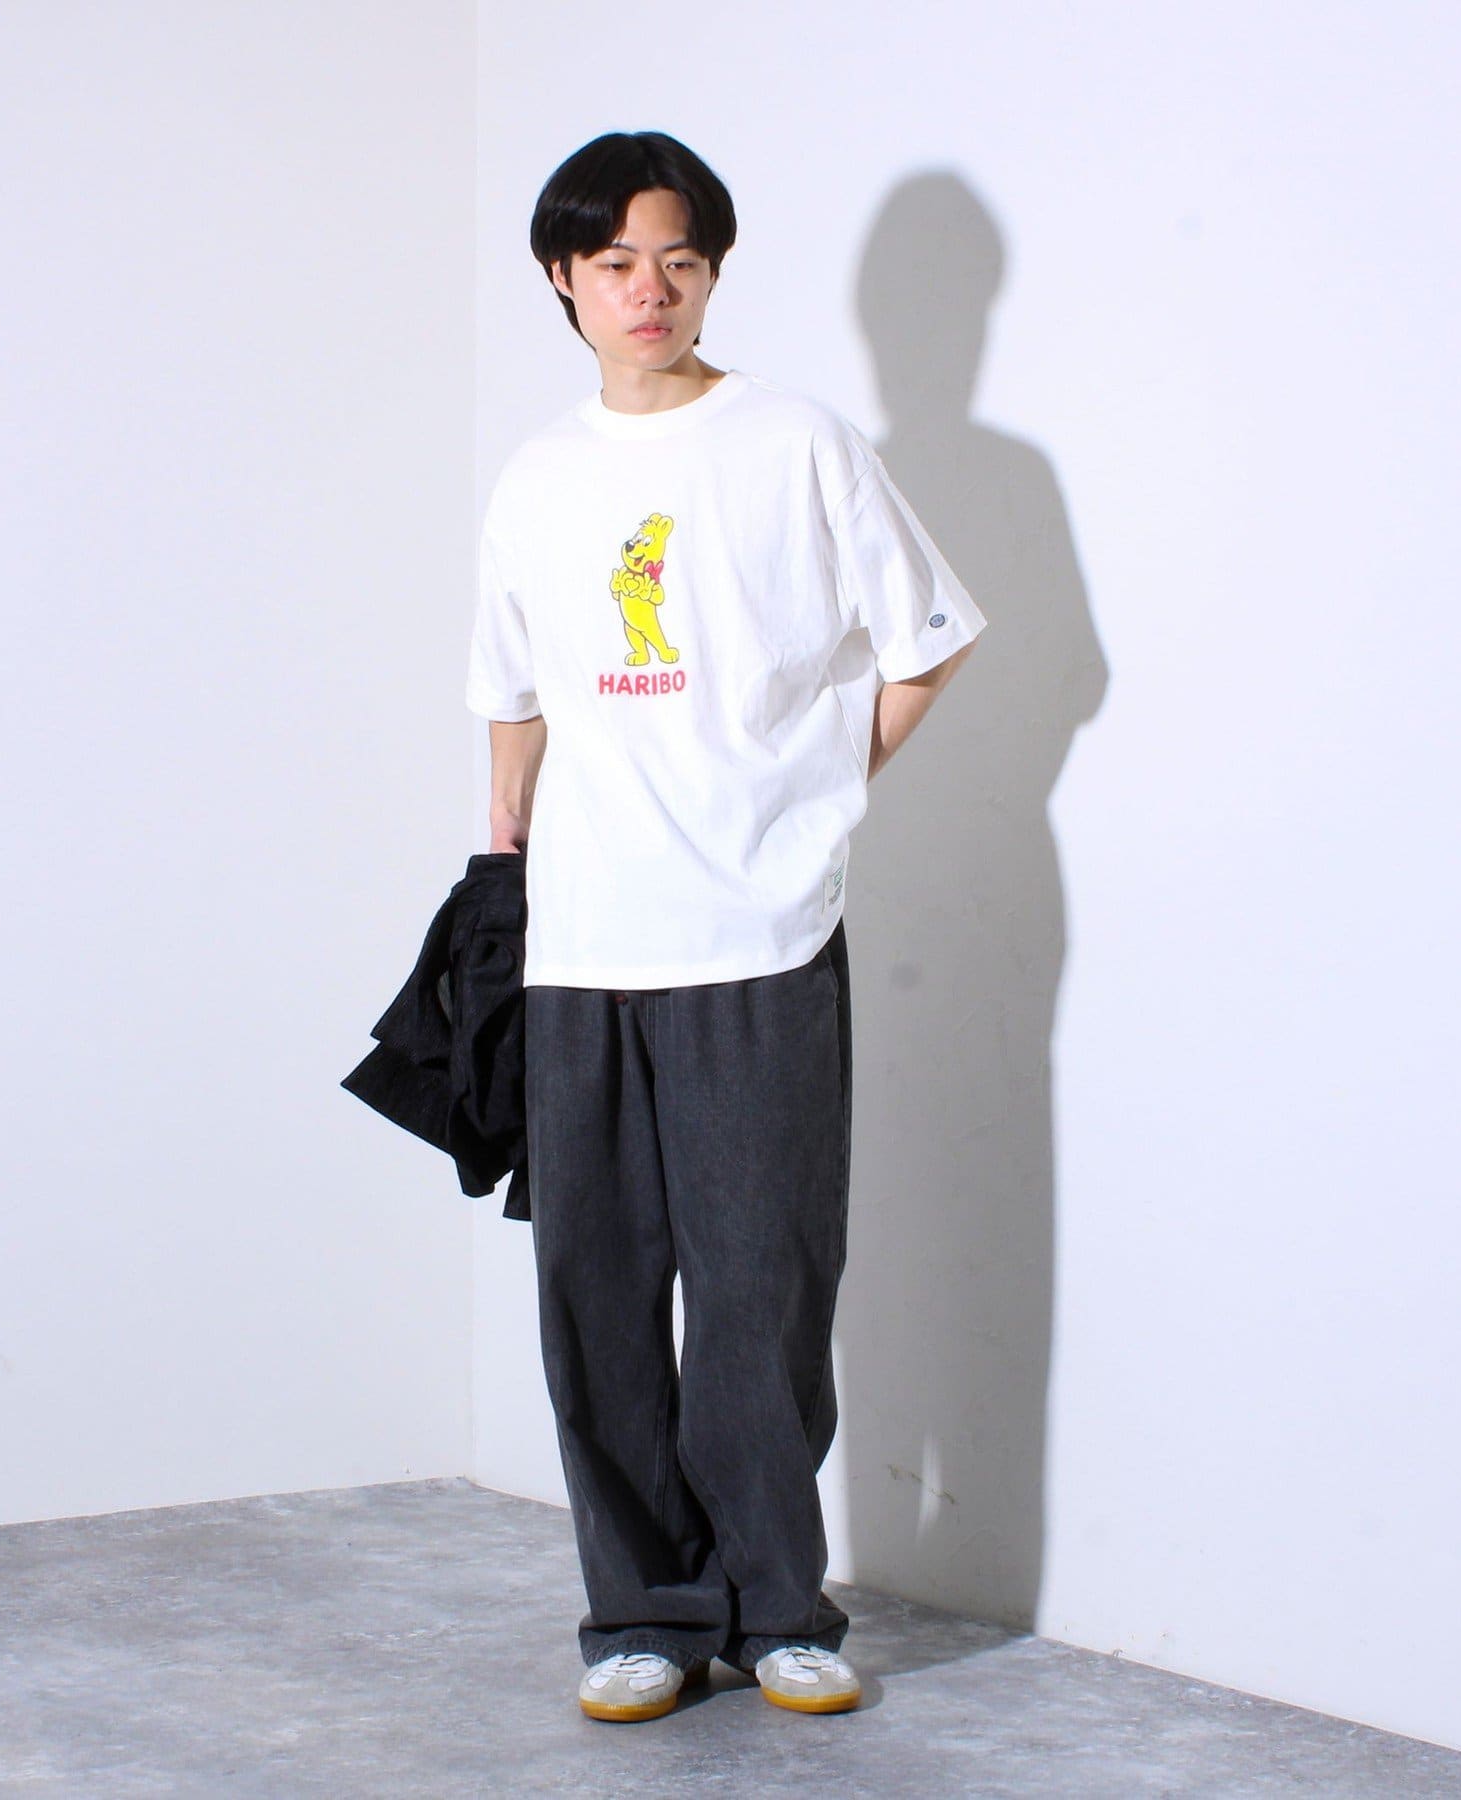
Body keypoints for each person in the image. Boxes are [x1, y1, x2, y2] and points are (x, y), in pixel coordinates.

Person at [464, 130, 987, 1724]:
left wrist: (816, 793)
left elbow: (928, 639)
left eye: (680, 261)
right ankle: (640, 1614)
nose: (652, 290)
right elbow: (516, 696)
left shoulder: (796, 442)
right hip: (585, 947)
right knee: (598, 1297)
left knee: (762, 1286)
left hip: (760, 935)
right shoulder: (538, 477)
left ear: (712, 274)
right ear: (563, 277)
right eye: (618, 262)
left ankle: (774, 1608)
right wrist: (506, 860)